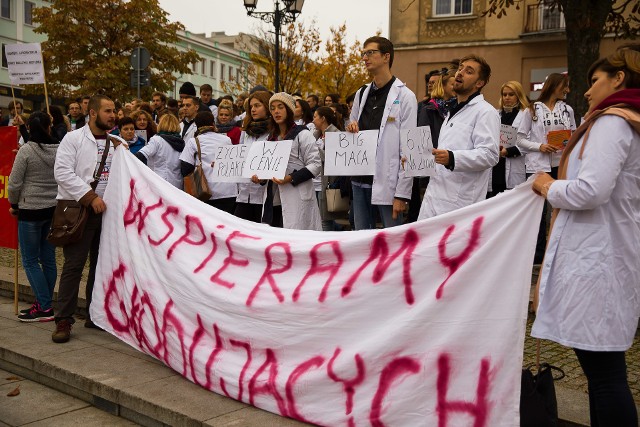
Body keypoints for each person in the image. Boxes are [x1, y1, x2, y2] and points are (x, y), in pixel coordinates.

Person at [531, 45, 640, 427]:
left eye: (595, 82)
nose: (587, 92)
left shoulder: (613, 122)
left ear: (619, 79)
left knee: (605, 374)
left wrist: (547, 186)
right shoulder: (625, 121)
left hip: (599, 260)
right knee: (603, 372)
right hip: (603, 256)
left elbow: (591, 190)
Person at [52, 95, 123, 343]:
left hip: (108, 213)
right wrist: (90, 197)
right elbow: (62, 173)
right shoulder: (73, 139)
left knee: (101, 265)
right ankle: (63, 319)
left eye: (114, 110)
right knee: (73, 266)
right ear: (92, 113)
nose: (113, 115)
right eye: (107, 110)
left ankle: (95, 314)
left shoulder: (117, 144)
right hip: (78, 211)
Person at [346, 36, 417, 230]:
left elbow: (410, 147)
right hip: (360, 179)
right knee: (361, 239)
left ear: (386, 57)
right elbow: (352, 124)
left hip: (389, 183)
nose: (365, 57)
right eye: (363, 53)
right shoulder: (362, 93)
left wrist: (402, 194)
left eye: (370, 53)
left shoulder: (405, 96)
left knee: (392, 240)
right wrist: (351, 127)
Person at [418, 54, 500, 219]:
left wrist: (452, 158)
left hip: (460, 204)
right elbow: (442, 154)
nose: (460, 73)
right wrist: (416, 162)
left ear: (479, 83)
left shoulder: (485, 112)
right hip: (434, 198)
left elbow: (490, 155)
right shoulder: (452, 111)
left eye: (469, 71)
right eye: (460, 68)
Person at [517, 73, 576, 263]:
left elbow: (574, 133)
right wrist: (539, 146)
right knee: (538, 211)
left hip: (561, 163)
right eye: (564, 86)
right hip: (538, 165)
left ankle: (559, 251)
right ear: (554, 85)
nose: (567, 90)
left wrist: (569, 143)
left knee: (560, 206)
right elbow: (519, 139)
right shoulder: (532, 110)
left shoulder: (567, 109)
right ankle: (537, 255)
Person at [8, 112, 59, 322]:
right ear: (49, 127)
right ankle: (44, 303)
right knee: (48, 258)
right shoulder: (60, 149)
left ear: (30, 128)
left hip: (29, 210)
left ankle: (44, 306)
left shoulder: (26, 150)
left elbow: (14, 183)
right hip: (53, 209)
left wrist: (13, 204)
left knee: (29, 260)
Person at [254, 92, 322, 230]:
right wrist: (260, 178)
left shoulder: (303, 134)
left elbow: (315, 165)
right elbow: (266, 168)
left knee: (298, 241)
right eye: (272, 108)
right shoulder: (271, 138)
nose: (276, 111)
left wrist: (290, 178)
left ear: (289, 109)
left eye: (280, 107)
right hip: (274, 200)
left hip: (297, 196)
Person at [180, 111, 238, 213]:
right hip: (228, 192)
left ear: (196, 126)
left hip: (205, 192)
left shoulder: (194, 141)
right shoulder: (226, 140)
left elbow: (185, 167)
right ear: (213, 123)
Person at [487, 81, 530, 197]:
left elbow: (528, 142)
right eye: (504, 94)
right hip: (496, 165)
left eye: (511, 94)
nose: (507, 97)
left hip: (514, 163)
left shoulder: (525, 116)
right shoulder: (495, 114)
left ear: (518, 96)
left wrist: (508, 151)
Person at [234, 91, 272, 223]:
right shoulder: (246, 132)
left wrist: (263, 178)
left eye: (257, 105)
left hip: (263, 197)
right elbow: (240, 154)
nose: (253, 109)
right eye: (251, 107)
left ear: (267, 107)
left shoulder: (273, 132)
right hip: (244, 194)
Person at [312, 106, 345, 231]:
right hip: (313, 182)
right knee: (316, 218)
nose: (313, 120)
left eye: (315, 117)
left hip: (326, 183)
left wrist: (314, 149)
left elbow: (332, 158)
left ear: (323, 118)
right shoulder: (315, 136)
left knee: (325, 220)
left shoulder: (336, 134)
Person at [135, 114, 185, 189]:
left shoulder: (157, 140)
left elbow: (142, 155)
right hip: (177, 185)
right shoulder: (182, 142)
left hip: (159, 184)